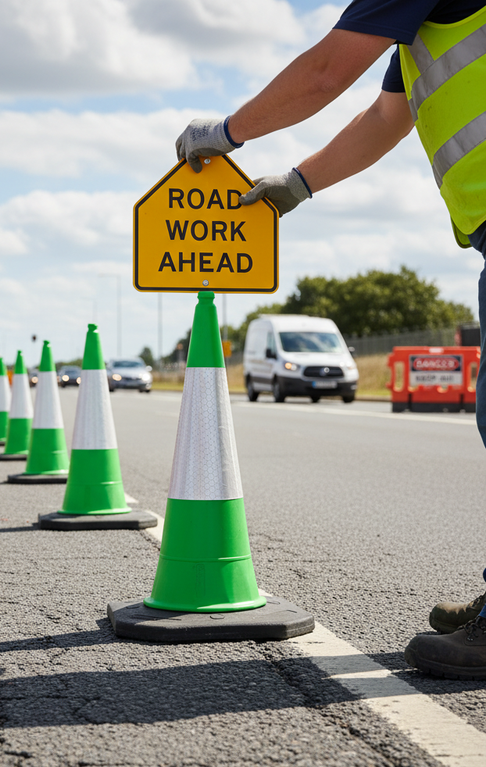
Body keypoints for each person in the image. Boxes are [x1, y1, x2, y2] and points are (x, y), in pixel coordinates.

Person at [174, 0, 486, 678]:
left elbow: (324, 72)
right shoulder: (420, 32)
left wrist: (226, 132)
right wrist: (299, 182)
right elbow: (388, 116)